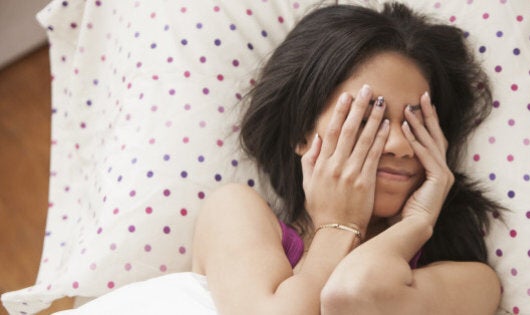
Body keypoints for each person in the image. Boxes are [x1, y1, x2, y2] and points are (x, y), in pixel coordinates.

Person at [192, 2, 503, 314]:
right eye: (366, 120)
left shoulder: (473, 282)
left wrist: (417, 224)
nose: (400, 145)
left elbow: (354, 294)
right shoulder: (234, 212)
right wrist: (339, 226)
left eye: (415, 123)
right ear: (301, 133)